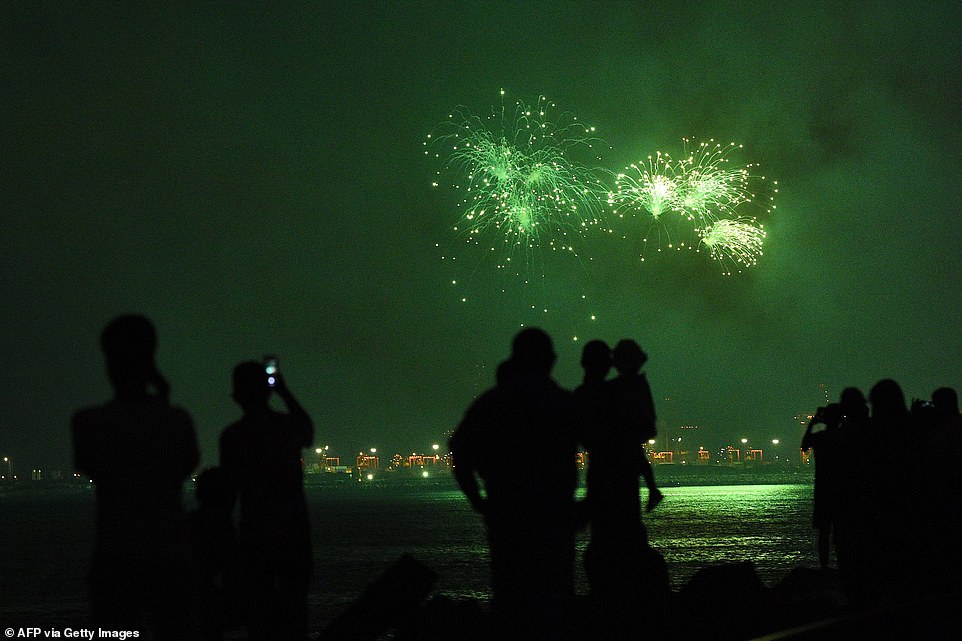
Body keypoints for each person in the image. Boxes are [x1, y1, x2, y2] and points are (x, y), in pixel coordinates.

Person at [72, 315, 200, 638]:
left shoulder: (87, 423)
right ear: (151, 359)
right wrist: (162, 400)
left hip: (115, 555)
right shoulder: (178, 421)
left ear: (109, 362)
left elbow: (89, 464)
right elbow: (185, 463)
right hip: (169, 555)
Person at [450, 328, 580, 641]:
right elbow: (604, 448)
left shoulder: (493, 403)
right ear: (550, 360)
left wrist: (478, 501)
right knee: (553, 605)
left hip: (507, 520)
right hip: (553, 521)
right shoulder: (562, 403)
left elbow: (459, 449)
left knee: (511, 604)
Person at [220, 361, 314, 641]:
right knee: (295, 613)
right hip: (295, 533)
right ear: (268, 391)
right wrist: (284, 391)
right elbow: (307, 432)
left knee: (259, 618)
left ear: (236, 396)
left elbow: (228, 495)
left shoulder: (234, 436)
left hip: (255, 535)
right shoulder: (287, 426)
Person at [608, 339, 662, 513]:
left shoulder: (619, 387)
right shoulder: (639, 384)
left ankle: (653, 490)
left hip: (623, 445)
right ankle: (653, 490)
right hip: (631, 441)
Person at [801, 403, 843, 569]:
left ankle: (824, 567)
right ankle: (843, 566)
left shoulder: (820, 438)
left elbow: (804, 445)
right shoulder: (844, 436)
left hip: (823, 490)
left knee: (823, 533)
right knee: (841, 532)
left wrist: (812, 424)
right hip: (842, 490)